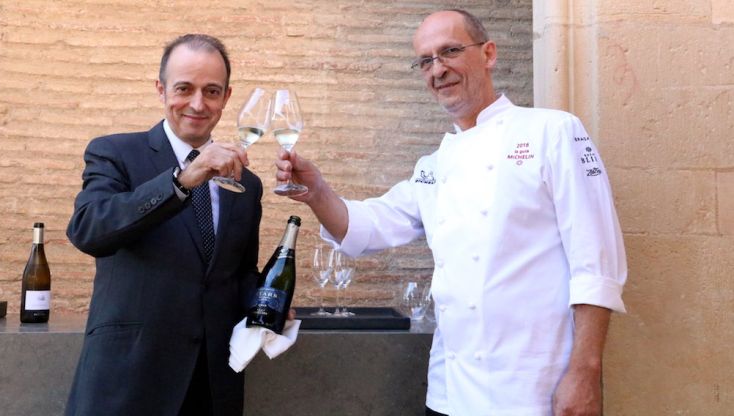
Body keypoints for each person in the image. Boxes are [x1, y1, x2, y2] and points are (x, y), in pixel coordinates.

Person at [276, 9, 627, 416]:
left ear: (489, 54)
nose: (437, 69)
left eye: (450, 52)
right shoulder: (433, 165)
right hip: (449, 393)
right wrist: (317, 191)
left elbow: (596, 264)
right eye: (425, 60)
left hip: (533, 391)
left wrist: (585, 372)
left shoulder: (554, 132)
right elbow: (367, 228)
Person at [65, 34, 262, 415]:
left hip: (213, 385)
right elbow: (89, 229)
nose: (198, 104)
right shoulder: (115, 152)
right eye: (184, 89)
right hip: (127, 382)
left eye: (212, 91)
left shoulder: (247, 184)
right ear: (160, 89)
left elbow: (237, 275)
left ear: (226, 96)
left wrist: (269, 300)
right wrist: (183, 179)